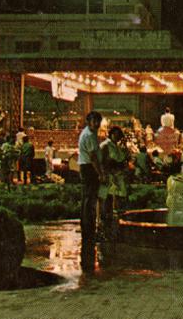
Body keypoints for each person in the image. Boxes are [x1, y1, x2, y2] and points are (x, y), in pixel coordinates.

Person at [78, 111, 104, 273]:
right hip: (89, 168)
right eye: (94, 121)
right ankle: (89, 226)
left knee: (87, 197)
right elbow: (94, 157)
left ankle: (87, 224)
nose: (96, 123)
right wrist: (100, 173)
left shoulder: (89, 133)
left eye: (98, 121)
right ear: (88, 121)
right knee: (90, 197)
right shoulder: (89, 135)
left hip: (86, 167)